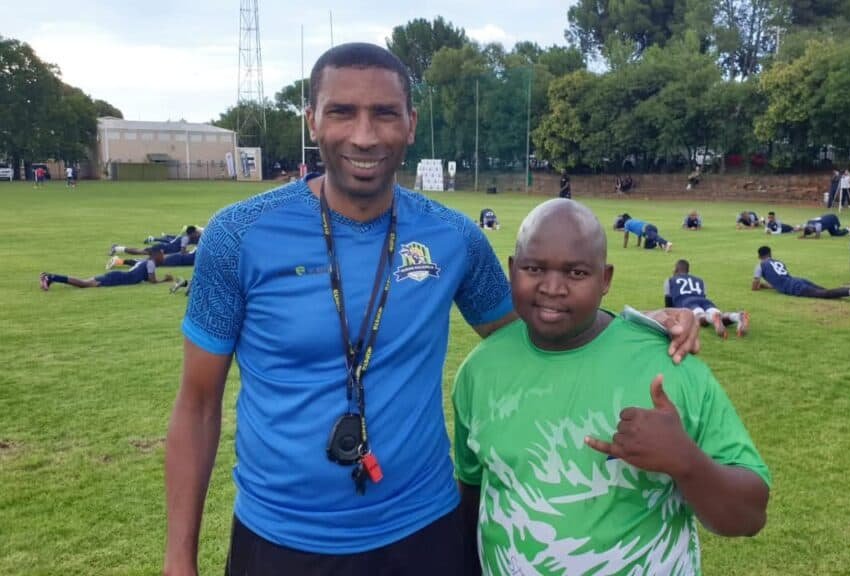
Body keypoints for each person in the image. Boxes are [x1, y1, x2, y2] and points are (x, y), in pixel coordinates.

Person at [163, 43, 700, 576]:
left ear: (411, 123)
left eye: (385, 113)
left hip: (423, 530)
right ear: (312, 121)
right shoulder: (237, 237)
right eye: (342, 112)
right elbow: (198, 404)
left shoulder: (453, 237)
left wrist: (633, 326)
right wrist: (179, 558)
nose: (364, 135)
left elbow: (535, 328)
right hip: (281, 538)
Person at [453, 199, 770, 574]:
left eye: (576, 273)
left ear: (605, 279)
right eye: (534, 268)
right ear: (511, 270)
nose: (552, 288)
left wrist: (685, 460)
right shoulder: (479, 371)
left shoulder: (669, 366)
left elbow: (750, 516)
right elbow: (474, 492)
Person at [753, 246, 850, 304]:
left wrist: (759, 286)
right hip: (798, 280)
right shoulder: (778, 262)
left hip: (794, 287)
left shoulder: (760, 265)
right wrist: (766, 286)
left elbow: (754, 286)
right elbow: (780, 280)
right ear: (770, 254)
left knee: (825, 294)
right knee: (826, 292)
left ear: (759, 256)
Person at [665, 259, 750, 338]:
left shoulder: (670, 280)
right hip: (704, 301)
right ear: (688, 270)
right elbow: (704, 294)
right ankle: (737, 316)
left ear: (676, 269)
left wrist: (671, 313)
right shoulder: (700, 280)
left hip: (687, 302)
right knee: (719, 315)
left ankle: (712, 317)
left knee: (699, 317)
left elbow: (668, 300)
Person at [40, 250, 175, 290]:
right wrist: (165, 280)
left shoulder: (146, 262)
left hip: (118, 276)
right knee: (83, 284)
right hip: (118, 278)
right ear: (156, 256)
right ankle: (50, 277)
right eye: (162, 256)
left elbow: (145, 278)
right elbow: (152, 281)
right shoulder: (151, 263)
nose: (163, 258)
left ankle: (51, 278)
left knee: (83, 283)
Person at [112, 226, 202, 256]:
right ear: (192, 233)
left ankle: (117, 248)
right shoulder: (185, 239)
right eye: (196, 232)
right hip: (162, 248)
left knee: (142, 252)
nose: (198, 233)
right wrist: (190, 252)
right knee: (141, 252)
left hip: (165, 249)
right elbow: (182, 253)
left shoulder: (190, 238)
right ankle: (117, 248)